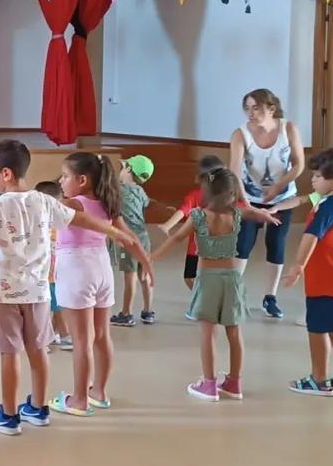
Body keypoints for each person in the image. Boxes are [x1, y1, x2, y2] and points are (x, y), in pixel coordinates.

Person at [0, 140, 139, 435]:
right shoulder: (45, 200)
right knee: (38, 350)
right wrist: (117, 233)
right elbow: (84, 219)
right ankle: (38, 408)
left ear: (6, 174)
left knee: (9, 353)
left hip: (4, 293)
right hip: (39, 291)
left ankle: (9, 416)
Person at [151, 167, 279, 402]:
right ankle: (234, 383)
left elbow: (177, 238)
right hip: (232, 279)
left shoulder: (199, 216)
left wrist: (152, 258)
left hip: (208, 279)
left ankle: (209, 385)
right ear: (232, 194)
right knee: (234, 331)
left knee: (208, 334)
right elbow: (252, 211)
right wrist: (267, 216)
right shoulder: (236, 214)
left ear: (205, 193)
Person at [50, 152, 154, 417]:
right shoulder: (108, 205)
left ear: (82, 180)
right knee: (101, 336)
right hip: (102, 270)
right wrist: (148, 265)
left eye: (65, 176)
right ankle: (99, 392)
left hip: (76, 270)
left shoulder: (73, 204)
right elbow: (130, 238)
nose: (60, 181)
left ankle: (79, 400)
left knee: (82, 341)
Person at [282, 148, 333, 397]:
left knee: (317, 329)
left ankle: (318, 379)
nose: (313, 179)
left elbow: (310, 237)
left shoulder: (328, 206)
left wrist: (298, 265)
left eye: (318, 175)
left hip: (327, 280)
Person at [229, 89, 304, 319]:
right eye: (247, 108)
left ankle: (270, 297)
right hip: (250, 197)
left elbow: (298, 165)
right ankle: (234, 294)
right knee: (243, 244)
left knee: (276, 242)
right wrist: (245, 203)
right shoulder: (241, 134)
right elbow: (234, 171)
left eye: (256, 108)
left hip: (281, 198)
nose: (250, 113)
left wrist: (278, 187)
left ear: (271, 109)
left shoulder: (288, 129)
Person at [158, 155, 229, 296]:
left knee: (195, 277)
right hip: (201, 248)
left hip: (204, 248)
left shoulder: (216, 197)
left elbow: (182, 211)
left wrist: (167, 225)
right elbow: (183, 211)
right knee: (193, 277)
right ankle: (203, 298)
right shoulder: (214, 196)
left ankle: (206, 299)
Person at [111, 155, 156, 327]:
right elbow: (145, 204)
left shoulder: (119, 190)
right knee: (144, 275)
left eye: (123, 168)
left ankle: (126, 313)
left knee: (129, 278)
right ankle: (148, 311)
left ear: (128, 169)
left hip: (128, 239)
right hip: (143, 237)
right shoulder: (141, 191)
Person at [35, 181, 72, 350]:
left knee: (54, 306)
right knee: (49, 307)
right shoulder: (39, 222)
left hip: (56, 274)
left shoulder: (60, 223)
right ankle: (52, 336)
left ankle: (55, 335)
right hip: (44, 274)